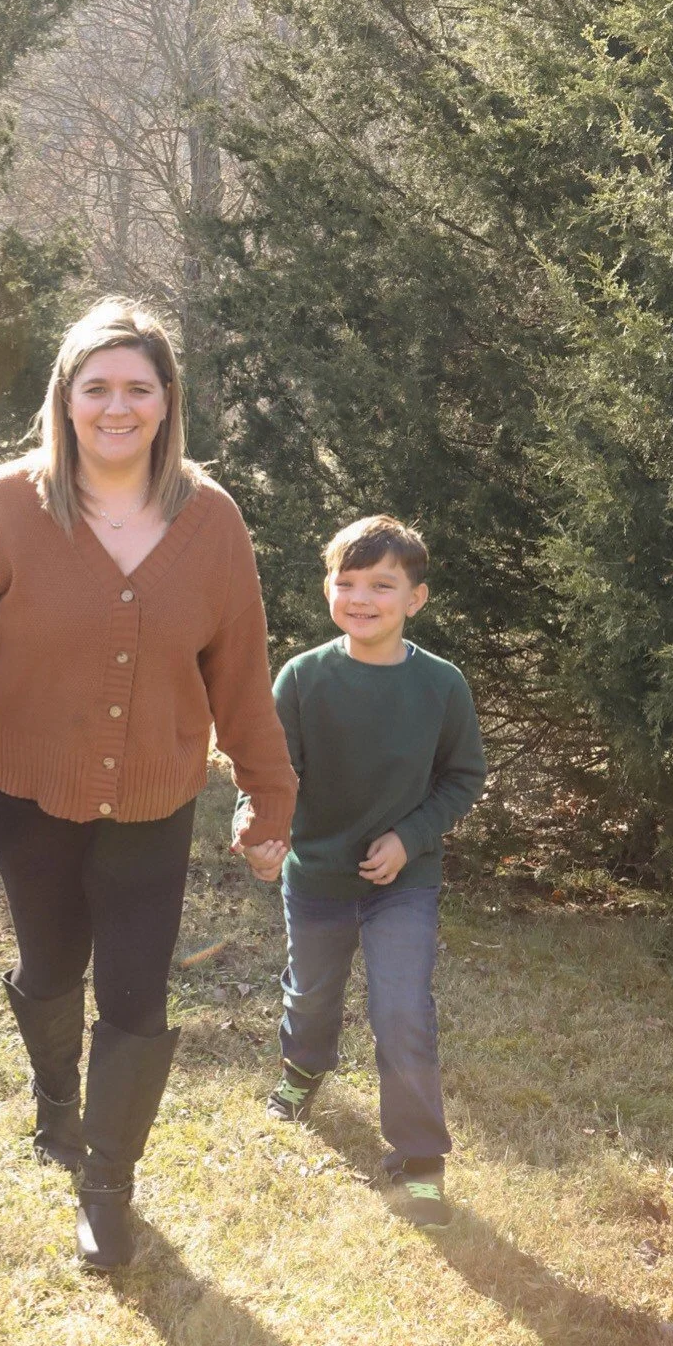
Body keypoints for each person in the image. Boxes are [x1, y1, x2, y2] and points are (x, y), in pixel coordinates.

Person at [0, 300, 297, 1271]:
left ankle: (107, 1185)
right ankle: (54, 1097)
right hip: (27, 794)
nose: (116, 406)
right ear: (65, 400)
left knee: (134, 996)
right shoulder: (4, 506)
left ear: (167, 402)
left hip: (154, 802)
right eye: (97, 388)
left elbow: (241, 674)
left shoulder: (210, 523)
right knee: (48, 971)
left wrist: (269, 795)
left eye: (137, 387)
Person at [241, 515, 486, 1229]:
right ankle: (303, 1068)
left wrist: (410, 838)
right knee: (311, 994)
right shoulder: (305, 677)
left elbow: (463, 776)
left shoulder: (441, 686)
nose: (362, 598)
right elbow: (273, 772)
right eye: (346, 583)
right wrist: (258, 828)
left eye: (383, 584)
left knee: (402, 1009)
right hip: (317, 875)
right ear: (328, 590)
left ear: (416, 598)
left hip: (401, 884)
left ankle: (419, 1159)